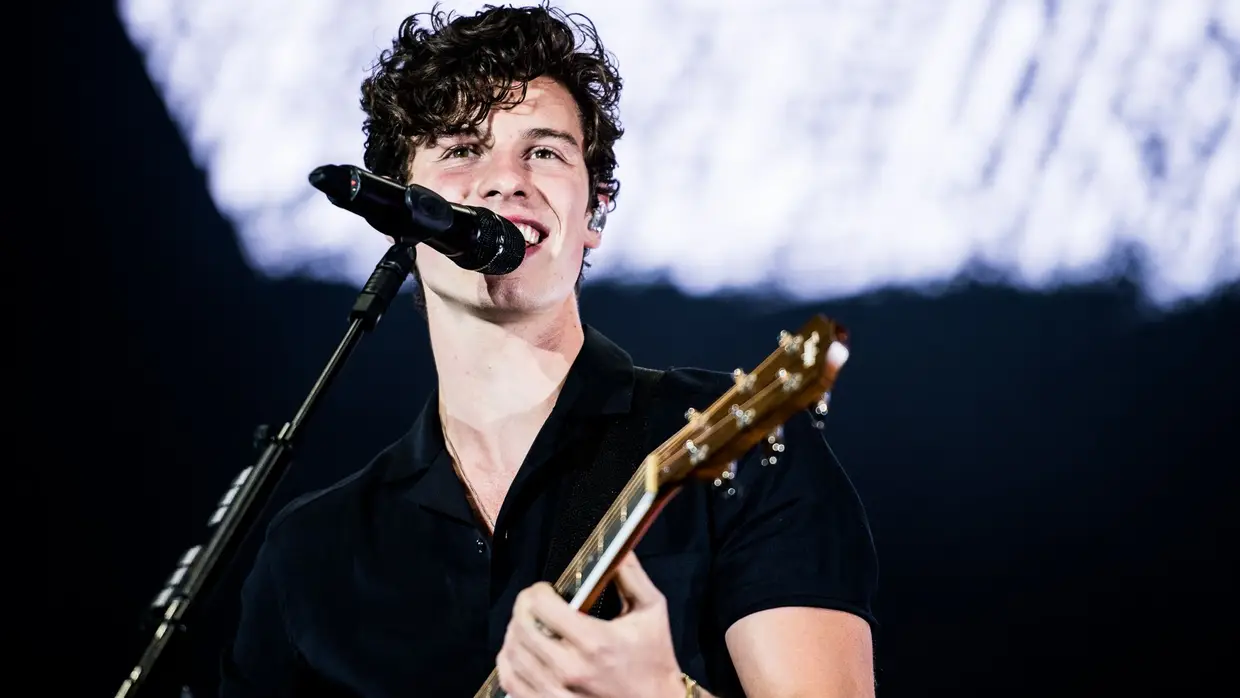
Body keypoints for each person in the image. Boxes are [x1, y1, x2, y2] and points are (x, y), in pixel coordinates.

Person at [220, 4, 878, 697]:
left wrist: (660, 693)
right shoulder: (310, 552)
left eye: (544, 152)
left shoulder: (743, 442)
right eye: (461, 149)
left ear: (593, 215)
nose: (506, 179)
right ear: (400, 221)